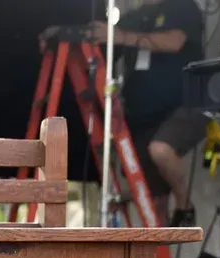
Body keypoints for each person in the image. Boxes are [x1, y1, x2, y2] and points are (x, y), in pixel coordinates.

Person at [81, 0, 206, 226]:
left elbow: (174, 41)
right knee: (153, 202)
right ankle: (159, 256)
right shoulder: (135, 17)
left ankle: (184, 205)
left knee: (161, 150)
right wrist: (63, 34)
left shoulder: (182, 7)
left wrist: (120, 36)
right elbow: (105, 41)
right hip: (143, 115)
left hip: (184, 105)